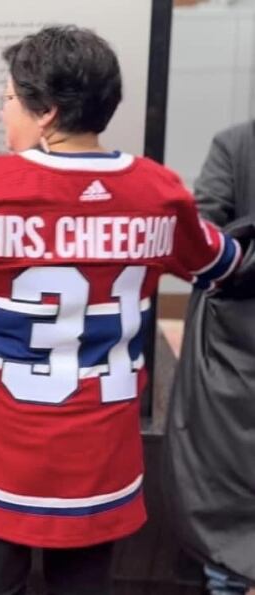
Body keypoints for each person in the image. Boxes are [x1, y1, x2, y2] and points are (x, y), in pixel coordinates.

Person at [0, 25, 242, 595]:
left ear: (47, 113)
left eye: (9, 98)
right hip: (100, 456)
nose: (2, 111)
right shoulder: (158, 190)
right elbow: (220, 262)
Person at [162, 119, 255, 595]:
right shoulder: (239, 144)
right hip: (238, 363)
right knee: (233, 549)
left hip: (234, 367)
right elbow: (203, 245)